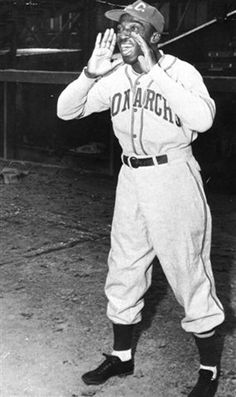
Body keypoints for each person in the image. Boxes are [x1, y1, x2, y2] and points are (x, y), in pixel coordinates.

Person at [57, 1, 225, 396]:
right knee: (125, 266)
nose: (124, 34)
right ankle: (121, 356)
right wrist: (89, 74)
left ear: (154, 36)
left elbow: (202, 120)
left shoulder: (181, 72)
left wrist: (154, 74)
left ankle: (208, 370)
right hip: (131, 177)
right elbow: (67, 110)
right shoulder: (114, 74)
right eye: (121, 27)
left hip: (173, 175)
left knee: (188, 271)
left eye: (135, 28)